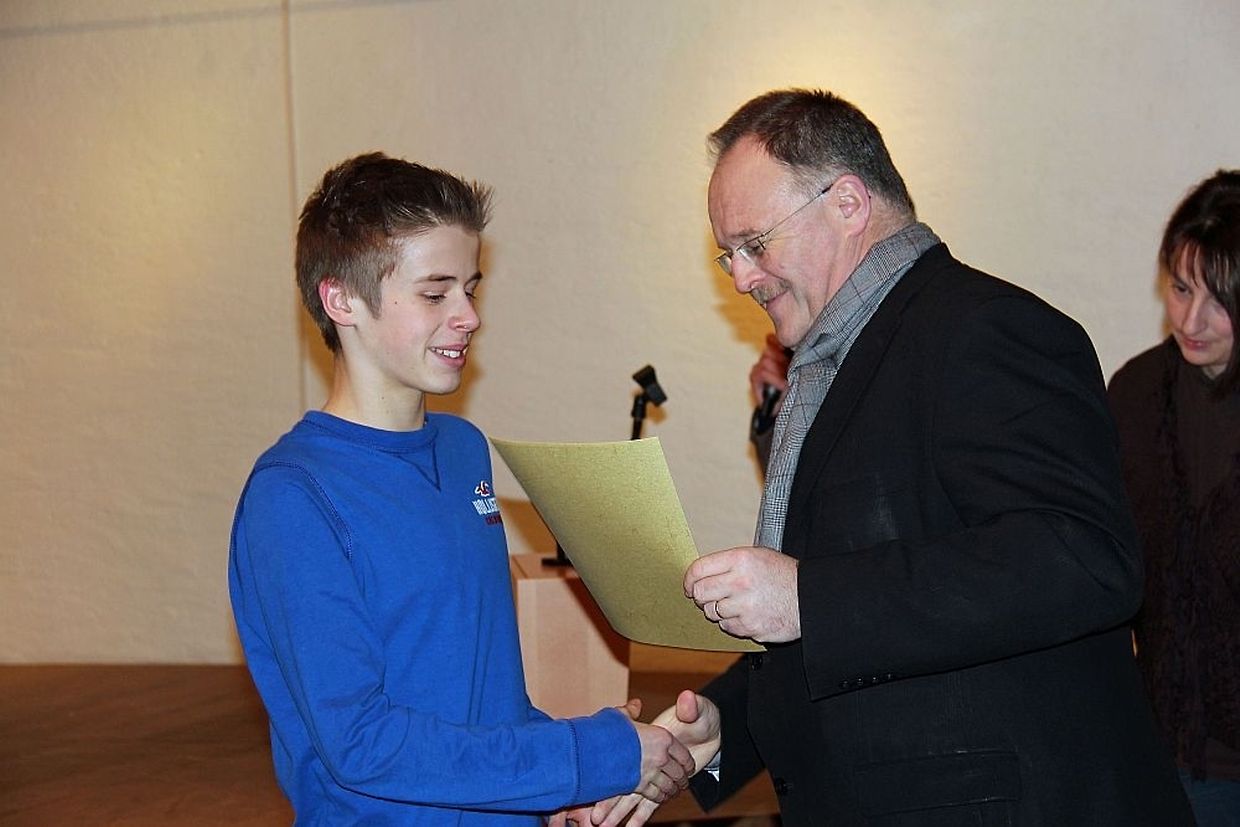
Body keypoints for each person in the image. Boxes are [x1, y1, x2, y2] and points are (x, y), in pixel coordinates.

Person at [596, 89, 1193, 826]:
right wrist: (725, 728)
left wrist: (805, 595)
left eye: (756, 243)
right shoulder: (834, 358)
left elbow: (1081, 558)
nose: (743, 277)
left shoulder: (985, 329)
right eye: (730, 255)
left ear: (848, 203)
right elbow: (860, 618)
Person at [227, 152, 692, 824]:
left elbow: (484, 699)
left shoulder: (463, 448)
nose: (469, 315)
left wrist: (557, 789)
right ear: (341, 300)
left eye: (470, 288)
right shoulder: (293, 498)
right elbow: (362, 744)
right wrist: (583, 757)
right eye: (435, 292)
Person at [1107, 170, 1240, 825]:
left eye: (1220, 301)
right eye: (1182, 288)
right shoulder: (1135, 394)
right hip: (1169, 755)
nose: (1191, 320)